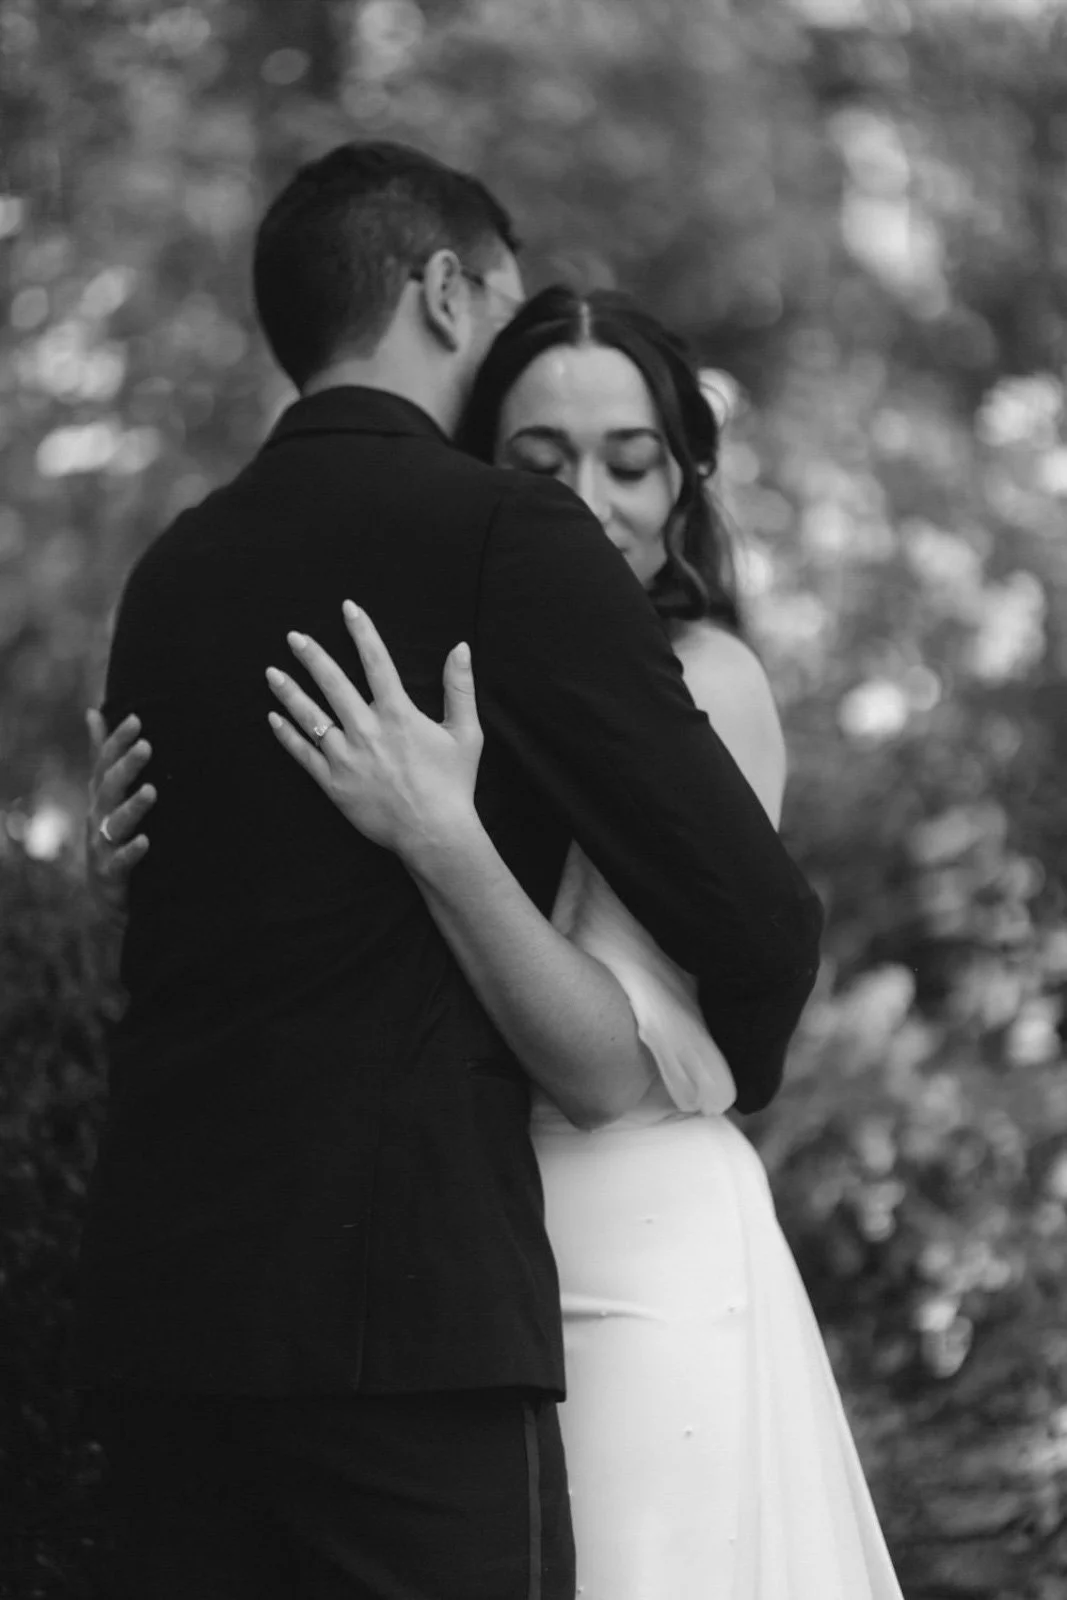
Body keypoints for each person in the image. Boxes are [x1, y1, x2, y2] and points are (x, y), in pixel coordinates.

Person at [79, 142, 823, 1600]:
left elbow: (198, 935)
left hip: (172, 1309)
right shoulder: (492, 539)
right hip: (414, 1313)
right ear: (441, 289)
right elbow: (758, 928)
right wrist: (737, 1060)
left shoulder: (175, 567)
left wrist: (112, 888)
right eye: (494, 307)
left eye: (630, 461)